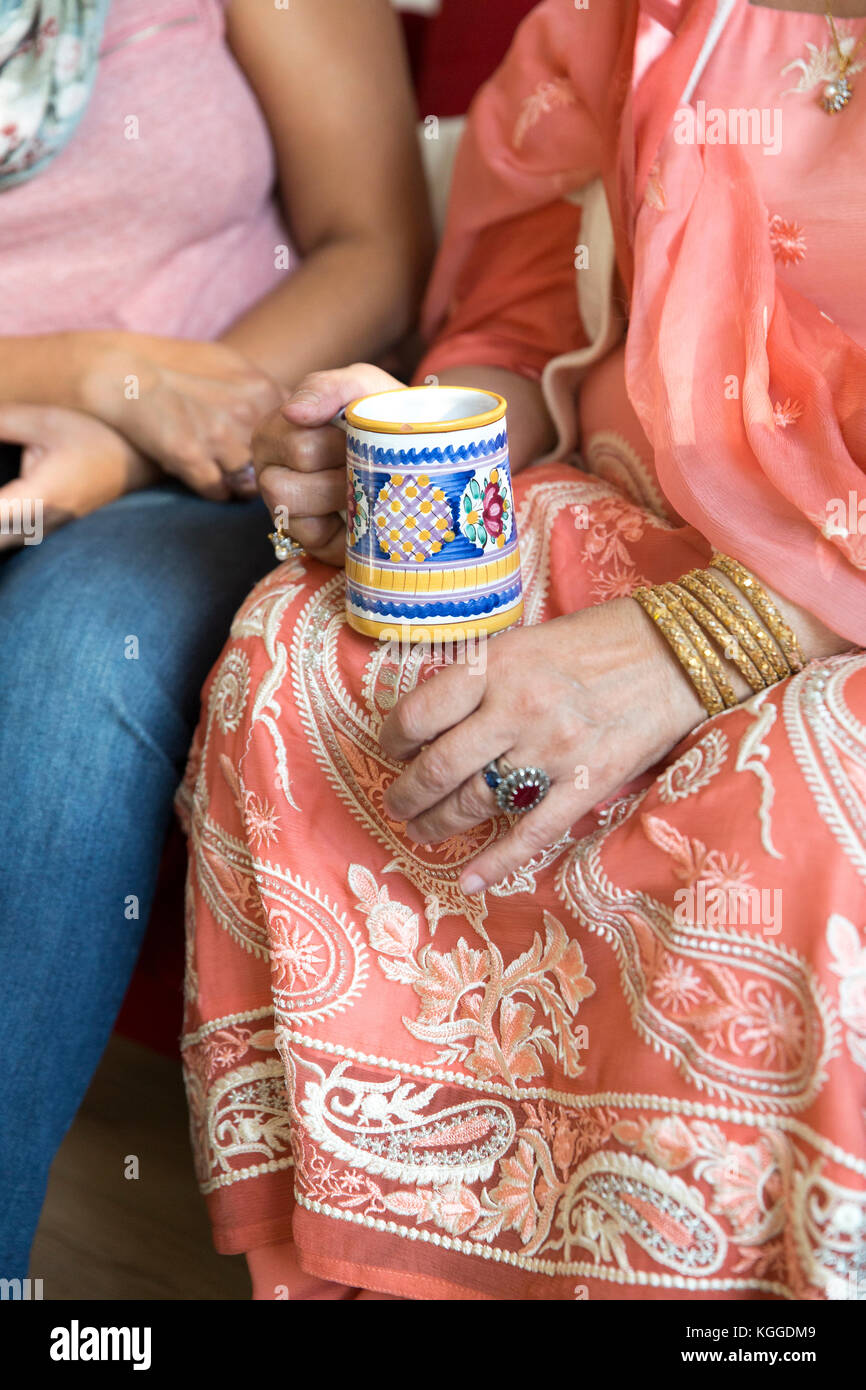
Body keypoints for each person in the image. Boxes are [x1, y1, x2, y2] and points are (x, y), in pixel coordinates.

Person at [179, 0, 866, 1300]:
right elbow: (518, 327)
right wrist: (425, 451)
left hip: (831, 603)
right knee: (303, 654)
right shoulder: (618, 22)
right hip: (650, 513)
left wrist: (696, 643)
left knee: (816, 789)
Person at [0, 0, 431, 1279]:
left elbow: (371, 247)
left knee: (77, 669)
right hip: (60, 416)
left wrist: (129, 432)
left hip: (200, 470)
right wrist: (87, 368)